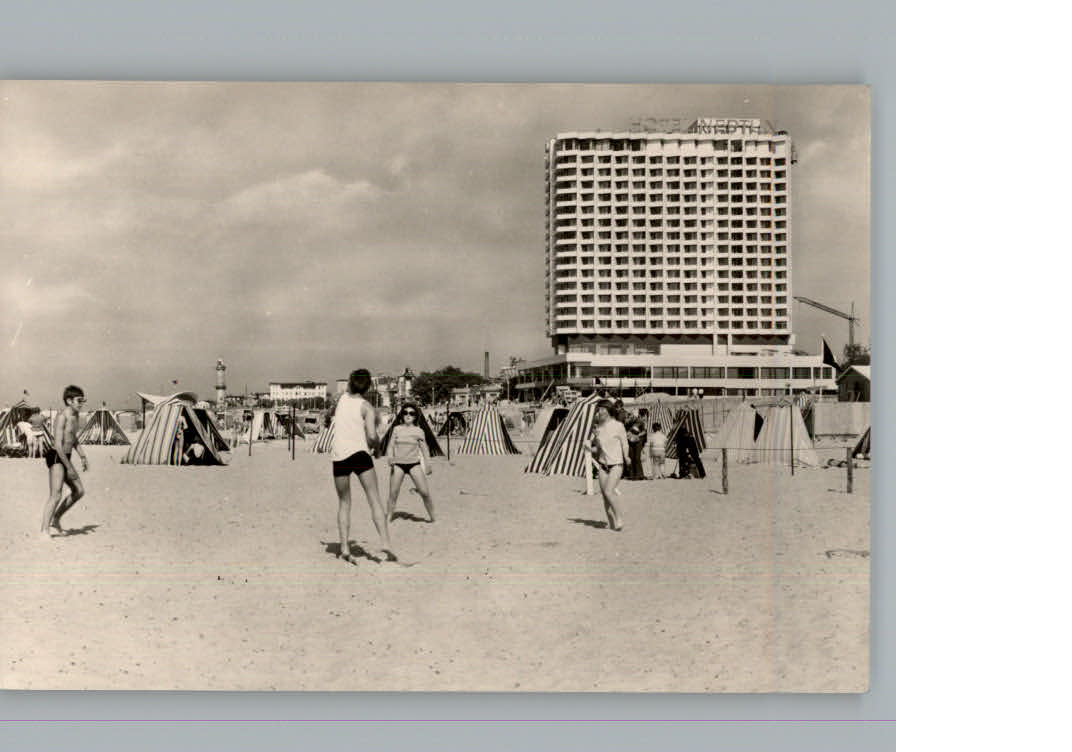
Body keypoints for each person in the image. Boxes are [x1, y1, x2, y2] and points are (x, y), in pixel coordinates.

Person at [331, 369, 393, 566]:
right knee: (374, 499)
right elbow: (372, 436)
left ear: (350, 383)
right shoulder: (367, 407)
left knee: (344, 503)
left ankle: (344, 548)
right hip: (359, 453)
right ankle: (385, 542)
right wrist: (378, 449)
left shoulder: (341, 399)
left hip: (339, 455)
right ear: (368, 387)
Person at [40, 385, 89, 537]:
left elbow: (73, 438)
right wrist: (70, 468)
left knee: (79, 491)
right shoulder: (62, 417)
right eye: (79, 400)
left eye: (83, 401)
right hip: (56, 455)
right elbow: (58, 446)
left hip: (66, 457)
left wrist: (82, 456)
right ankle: (44, 530)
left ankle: (56, 519)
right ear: (69, 401)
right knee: (56, 494)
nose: (81, 404)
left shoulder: (76, 416)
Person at [384, 403, 435, 523]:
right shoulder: (396, 429)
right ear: (402, 415)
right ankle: (388, 517)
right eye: (405, 413)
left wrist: (428, 464)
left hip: (414, 464)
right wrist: (390, 458)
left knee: (424, 492)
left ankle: (433, 517)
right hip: (398, 464)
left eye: (411, 413)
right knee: (393, 493)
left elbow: (424, 449)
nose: (408, 415)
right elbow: (390, 446)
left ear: (415, 416)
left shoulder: (419, 431)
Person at [585, 398, 629, 531]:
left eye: (602, 409)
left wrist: (626, 456)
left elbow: (625, 443)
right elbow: (599, 449)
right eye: (599, 410)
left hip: (616, 465)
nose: (600, 412)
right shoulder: (598, 428)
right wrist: (589, 448)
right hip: (603, 465)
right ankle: (611, 523)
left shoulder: (618, 426)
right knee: (605, 497)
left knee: (609, 492)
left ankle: (619, 518)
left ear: (609, 410)